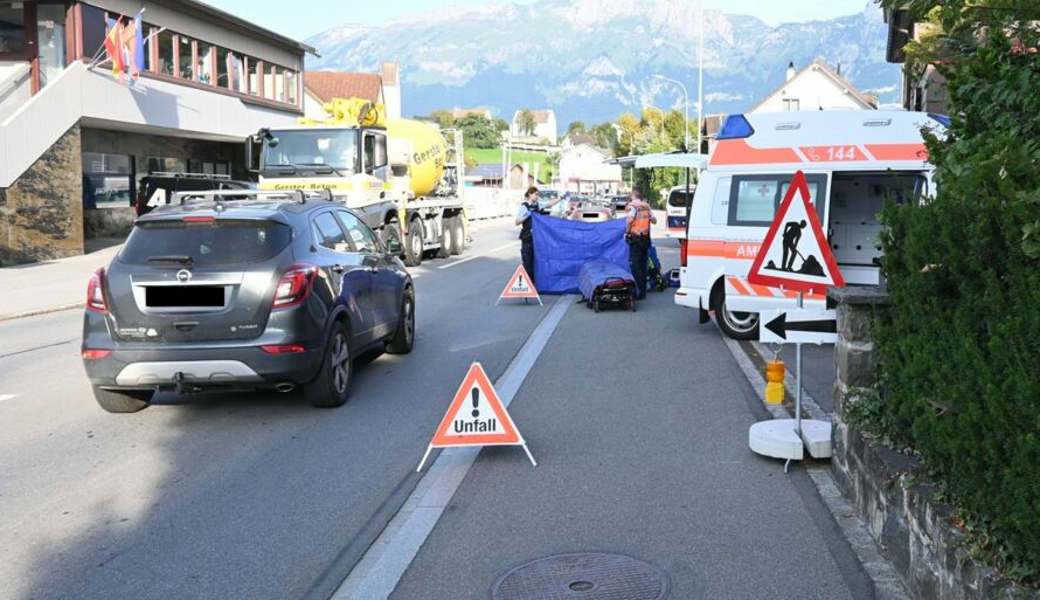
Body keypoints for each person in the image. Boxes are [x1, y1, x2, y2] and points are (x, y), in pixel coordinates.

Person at [625, 189, 656, 299]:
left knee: (636, 265)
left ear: (633, 196)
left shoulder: (632, 206)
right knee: (643, 264)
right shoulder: (646, 206)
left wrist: (627, 232)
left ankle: (638, 291)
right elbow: (654, 220)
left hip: (636, 239)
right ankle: (643, 291)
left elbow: (629, 221)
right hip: (645, 239)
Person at [515, 186, 541, 285]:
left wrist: (561, 198)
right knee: (528, 264)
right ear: (530, 194)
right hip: (527, 238)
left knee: (536, 263)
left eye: (538, 195)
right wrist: (527, 215)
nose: (538, 196)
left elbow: (549, 204)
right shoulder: (524, 207)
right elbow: (517, 222)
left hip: (536, 239)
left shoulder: (537, 205)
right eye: (536, 194)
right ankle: (527, 286)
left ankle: (534, 286)